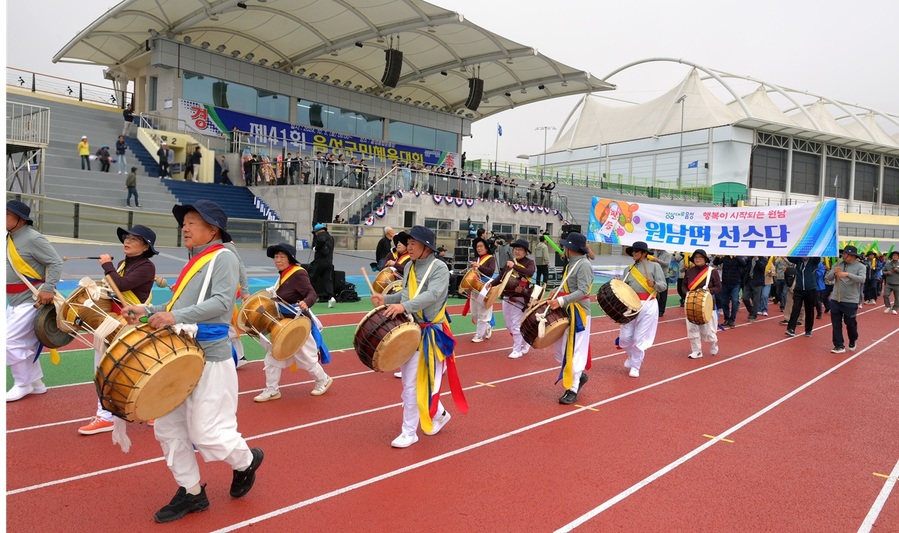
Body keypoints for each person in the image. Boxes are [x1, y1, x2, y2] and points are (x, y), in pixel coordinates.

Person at [121, 200, 263, 523]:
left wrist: (174, 315)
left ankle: (245, 461)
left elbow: (221, 304)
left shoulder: (223, 257)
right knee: (168, 427)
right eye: (184, 222)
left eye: (193, 222)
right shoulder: (196, 259)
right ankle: (192, 492)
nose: (185, 227)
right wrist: (147, 310)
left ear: (213, 230)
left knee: (207, 433)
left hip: (210, 358)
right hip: (179, 356)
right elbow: (176, 303)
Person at [371, 225, 467, 448]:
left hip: (431, 333)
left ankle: (409, 432)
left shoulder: (439, 268)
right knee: (409, 382)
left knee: (413, 385)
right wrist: (386, 300)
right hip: (412, 330)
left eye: (412, 244)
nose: (407, 247)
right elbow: (406, 294)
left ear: (426, 247)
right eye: (408, 243)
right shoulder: (411, 267)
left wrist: (403, 306)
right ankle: (440, 414)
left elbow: (432, 296)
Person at [78, 225, 157, 435]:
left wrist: (107, 266)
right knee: (104, 368)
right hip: (112, 320)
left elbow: (120, 285)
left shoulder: (147, 267)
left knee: (135, 368)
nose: (127, 241)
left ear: (145, 247)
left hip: (129, 322)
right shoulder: (123, 263)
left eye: (134, 239)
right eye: (127, 238)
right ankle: (106, 416)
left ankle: (149, 408)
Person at [253, 243, 333, 402]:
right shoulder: (283, 274)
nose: (278, 259)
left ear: (290, 259)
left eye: (282, 256)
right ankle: (272, 390)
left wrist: (306, 302)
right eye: (276, 256)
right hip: (283, 325)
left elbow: (312, 293)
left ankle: (323, 380)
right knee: (273, 357)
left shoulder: (298, 273)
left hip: (298, 325)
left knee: (307, 359)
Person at [6, 200, 63, 402]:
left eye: (6, 215)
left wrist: (48, 288)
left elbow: (55, 262)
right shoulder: (10, 237)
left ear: (20, 220)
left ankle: (22, 383)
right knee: (22, 342)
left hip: (30, 300)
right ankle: (36, 383)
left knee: (9, 341)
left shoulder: (33, 238)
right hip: (12, 300)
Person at [547, 232, 593, 403]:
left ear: (571, 248)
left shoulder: (584, 265)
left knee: (575, 352)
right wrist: (557, 291)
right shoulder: (572, 264)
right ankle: (578, 377)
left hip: (579, 313)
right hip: (567, 310)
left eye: (566, 246)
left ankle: (572, 389)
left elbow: (583, 291)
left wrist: (560, 300)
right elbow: (568, 285)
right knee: (561, 351)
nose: (564, 248)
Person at [618, 241, 667, 378]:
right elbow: (624, 289)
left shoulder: (655, 266)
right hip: (631, 304)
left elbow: (663, 286)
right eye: (633, 251)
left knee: (640, 337)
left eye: (637, 251)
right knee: (625, 337)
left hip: (649, 304)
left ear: (644, 253)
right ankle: (632, 356)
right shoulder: (628, 270)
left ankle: (635, 366)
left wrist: (655, 284)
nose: (634, 253)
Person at [499, 239, 536, 359]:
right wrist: (491, 285)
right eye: (516, 249)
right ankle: (525, 342)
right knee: (509, 324)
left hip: (520, 297)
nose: (517, 251)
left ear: (525, 251)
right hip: (507, 295)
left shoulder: (529, 262)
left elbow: (530, 272)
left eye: (520, 249)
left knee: (516, 323)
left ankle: (517, 349)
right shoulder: (510, 262)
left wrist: (514, 266)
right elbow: (501, 276)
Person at [825, 245, 866, 353]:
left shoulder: (860, 266)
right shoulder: (838, 264)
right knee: (836, 324)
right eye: (842, 253)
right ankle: (839, 345)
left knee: (850, 323)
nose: (843, 256)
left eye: (845, 254)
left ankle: (853, 339)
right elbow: (828, 278)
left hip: (850, 300)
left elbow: (862, 279)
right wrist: (834, 272)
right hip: (835, 299)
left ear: (852, 255)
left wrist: (847, 274)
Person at [683, 249, 721, 359]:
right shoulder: (689, 271)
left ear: (705, 259)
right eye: (695, 257)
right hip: (691, 304)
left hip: (707, 305)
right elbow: (684, 286)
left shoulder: (711, 271)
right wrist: (688, 293)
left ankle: (714, 342)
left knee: (708, 331)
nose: (697, 259)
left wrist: (710, 290)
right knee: (692, 328)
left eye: (700, 257)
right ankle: (696, 351)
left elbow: (718, 287)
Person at [465, 237, 496, 343]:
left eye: (481, 246)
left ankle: (479, 335)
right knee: (474, 312)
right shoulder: (475, 259)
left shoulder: (491, 258)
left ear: (486, 247)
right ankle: (487, 325)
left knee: (483, 311)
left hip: (485, 287)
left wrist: (479, 267)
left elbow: (491, 272)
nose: (479, 248)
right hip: (474, 287)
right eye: (477, 246)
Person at [785, 256, 821, 337]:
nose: (804, 255)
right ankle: (791, 328)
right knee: (795, 308)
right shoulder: (798, 260)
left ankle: (808, 330)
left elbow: (817, 257)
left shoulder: (814, 261)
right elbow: (789, 256)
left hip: (810, 289)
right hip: (799, 289)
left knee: (809, 310)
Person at [713, 255, 746, 328]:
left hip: (735, 283)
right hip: (725, 283)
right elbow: (715, 262)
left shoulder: (738, 258)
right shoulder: (725, 257)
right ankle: (726, 318)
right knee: (724, 302)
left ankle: (732, 319)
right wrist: (718, 257)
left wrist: (736, 257)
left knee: (735, 301)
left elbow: (744, 264)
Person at [309, 223, 336, 307]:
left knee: (311, 278)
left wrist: (316, 248)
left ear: (317, 231)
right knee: (328, 280)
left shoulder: (321, 236)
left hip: (319, 262)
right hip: (329, 262)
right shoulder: (331, 238)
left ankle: (311, 297)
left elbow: (321, 240)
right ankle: (331, 297)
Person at [651, 249, 673, 317]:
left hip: (664, 276)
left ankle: (661, 310)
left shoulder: (667, 254)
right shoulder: (653, 252)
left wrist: (657, 260)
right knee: (654, 294)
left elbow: (667, 264)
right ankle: (654, 309)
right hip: (654, 276)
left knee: (663, 294)